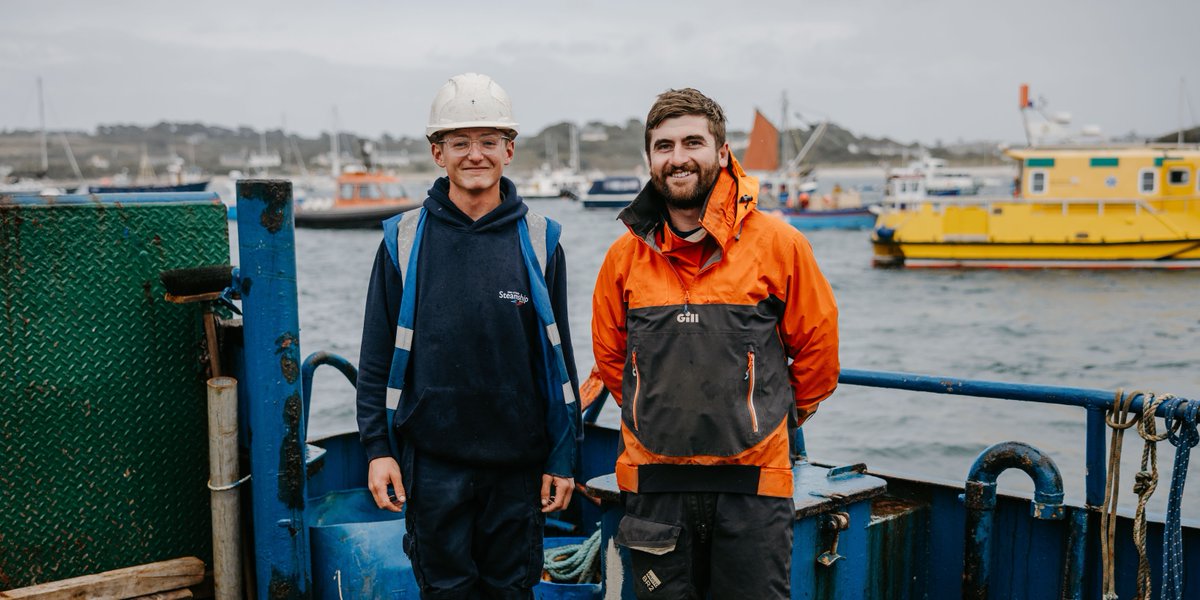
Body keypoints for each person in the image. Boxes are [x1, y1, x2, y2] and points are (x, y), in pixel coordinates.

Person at [591, 88, 839, 599]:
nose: (678, 158)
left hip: (755, 488)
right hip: (654, 487)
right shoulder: (623, 257)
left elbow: (818, 350)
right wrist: (650, 412)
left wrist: (772, 417)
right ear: (650, 158)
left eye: (692, 143)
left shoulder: (780, 245)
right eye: (664, 146)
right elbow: (610, 357)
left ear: (722, 153)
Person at [355, 72, 580, 599]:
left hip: (517, 469)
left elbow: (559, 362)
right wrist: (376, 450)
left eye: (487, 142)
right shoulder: (403, 241)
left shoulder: (542, 240)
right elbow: (373, 359)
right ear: (438, 153)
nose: (473, 154)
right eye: (459, 142)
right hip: (432, 467)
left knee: (511, 591)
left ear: (509, 150)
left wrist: (562, 458)